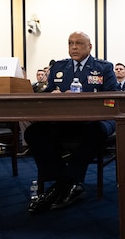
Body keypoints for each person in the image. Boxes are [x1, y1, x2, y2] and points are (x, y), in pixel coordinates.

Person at [25, 31, 117, 213]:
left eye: (79, 43)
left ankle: (63, 185)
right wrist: (53, 95)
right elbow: (47, 95)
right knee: (33, 132)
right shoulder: (59, 67)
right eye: (70, 43)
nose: (74, 47)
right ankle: (66, 182)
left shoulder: (103, 67)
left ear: (89, 47)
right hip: (64, 120)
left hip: (96, 120)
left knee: (94, 131)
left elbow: (113, 100)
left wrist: (83, 99)